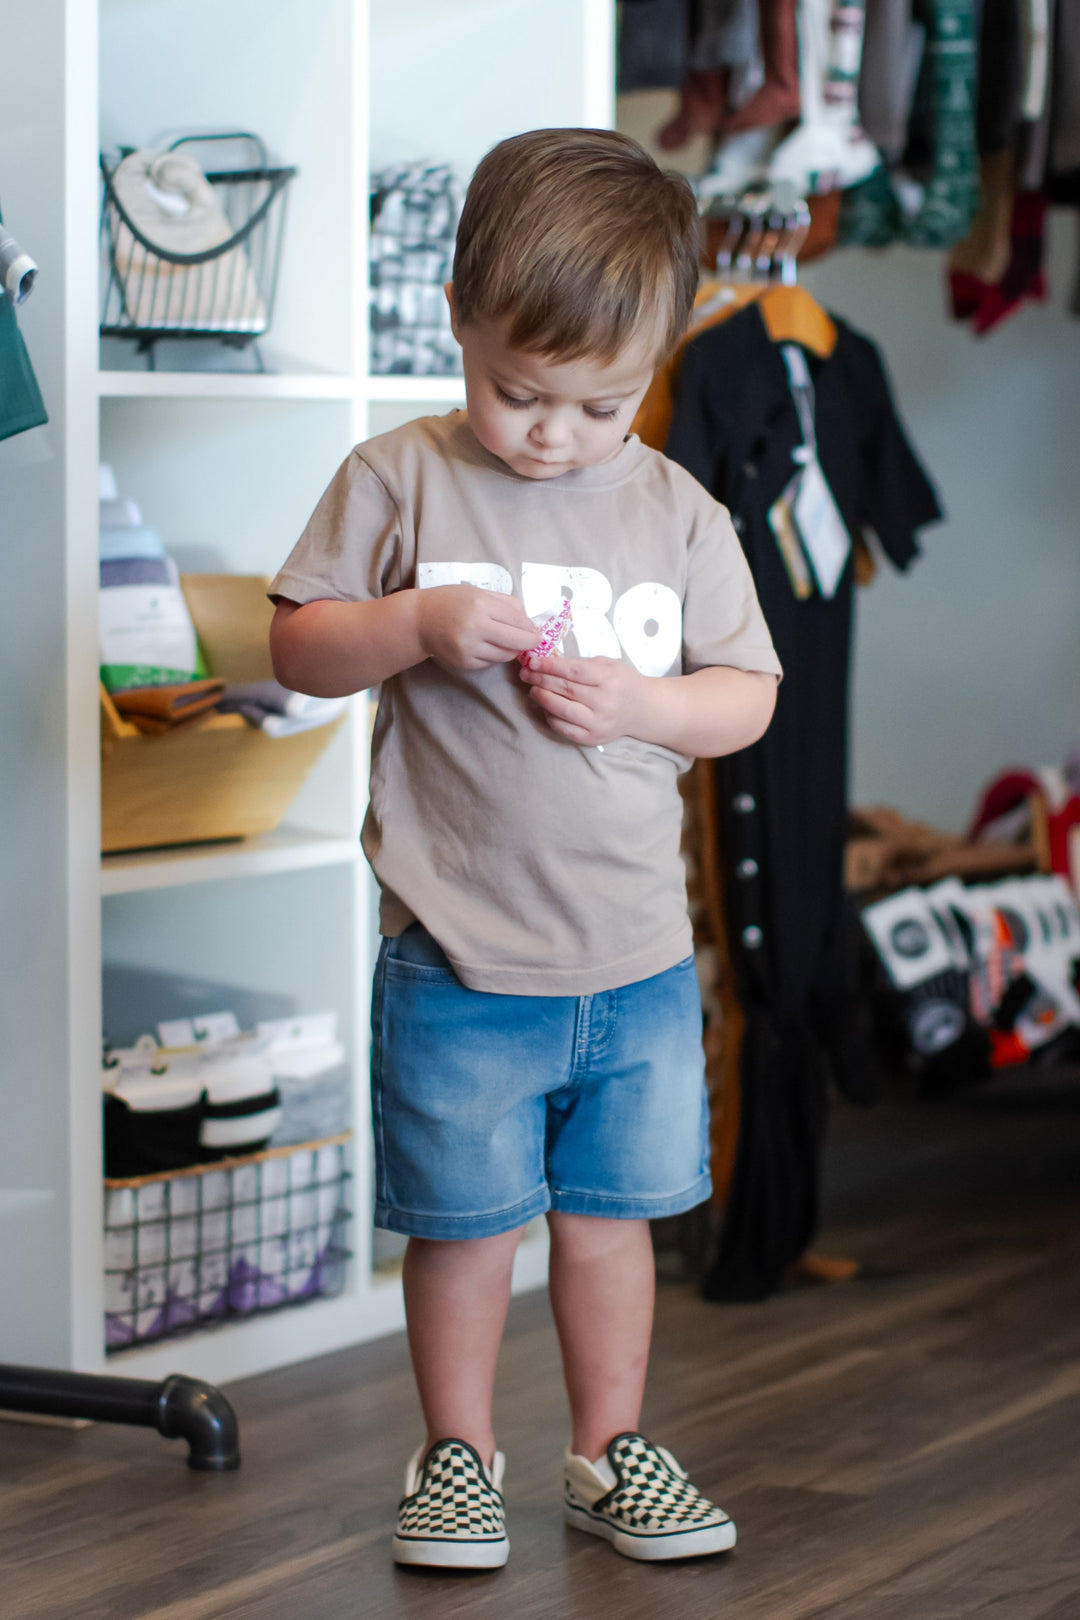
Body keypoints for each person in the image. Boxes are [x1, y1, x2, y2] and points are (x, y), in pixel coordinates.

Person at [269, 127, 781, 1571]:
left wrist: (643, 705)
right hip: (460, 955)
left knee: (613, 1225)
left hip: (636, 961)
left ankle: (610, 1451)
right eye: (518, 392)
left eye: (598, 404)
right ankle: (458, 1456)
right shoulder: (401, 479)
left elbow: (747, 695)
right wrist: (415, 624)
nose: (552, 433)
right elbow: (299, 650)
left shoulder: (678, 512)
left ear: (657, 363)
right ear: (457, 320)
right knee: (468, 1228)